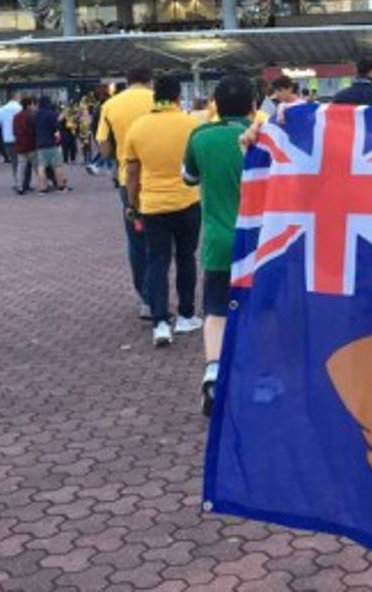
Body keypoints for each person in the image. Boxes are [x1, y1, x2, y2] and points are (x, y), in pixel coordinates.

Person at [183, 73, 256, 415]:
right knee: (262, 309)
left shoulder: (201, 136)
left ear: (215, 105)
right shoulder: (266, 137)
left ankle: (213, 374)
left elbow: (189, 177)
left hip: (217, 241)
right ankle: (258, 375)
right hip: (262, 242)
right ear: (253, 107)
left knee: (215, 310)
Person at [124, 74, 203, 348]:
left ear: (154, 96)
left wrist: (132, 204)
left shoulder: (138, 127)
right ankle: (185, 314)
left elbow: (132, 172)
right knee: (186, 258)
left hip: (152, 204)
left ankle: (159, 321)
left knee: (157, 260)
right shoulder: (192, 125)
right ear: (179, 97)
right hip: (187, 200)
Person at [97, 67, 156, 318]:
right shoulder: (158, 99)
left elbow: (102, 144)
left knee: (136, 238)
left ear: (127, 82)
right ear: (149, 81)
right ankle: (165, 294)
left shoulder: (110, 105)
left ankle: (146, 297)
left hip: (128, 179)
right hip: (160, 177)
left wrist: (116, 155)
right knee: (164, 239)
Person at [33, 96, 70, 193]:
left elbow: (33, 129)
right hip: (51, 144)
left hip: (40, 144)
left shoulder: (36, 115)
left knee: (42, 167)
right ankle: (60, 186)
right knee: (57, 166)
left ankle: (43, 187)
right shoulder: (51, 114)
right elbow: (56, 129)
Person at [0, 94, 24, 183]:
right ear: (18, 99)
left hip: (8, 139)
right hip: (20, 138)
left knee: (14, 161)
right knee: (23, 161)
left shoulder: (2, 109)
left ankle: (16, 180)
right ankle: (23, 181)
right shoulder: (20, 108)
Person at [12, 97, 37, 195]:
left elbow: (14, 131)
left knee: (21, 167)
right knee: (37, 166)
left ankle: (19, 187)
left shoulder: (16, 116)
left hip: (20, 145)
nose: (33, 106)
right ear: (28, 105)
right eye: (32, 104)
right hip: (31, 145)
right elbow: (33, 130)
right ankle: (42, 184)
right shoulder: (31, 115)